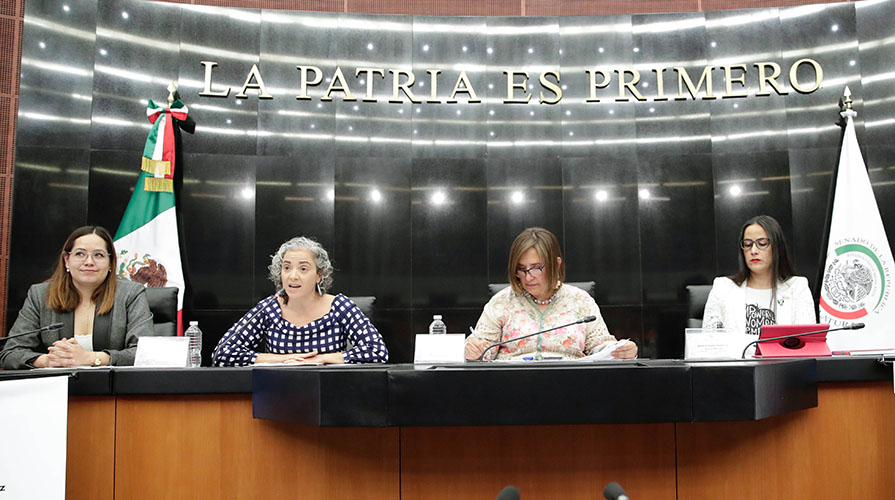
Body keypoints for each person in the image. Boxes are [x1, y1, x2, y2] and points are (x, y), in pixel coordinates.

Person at [465, 227, 637, 361]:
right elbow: (484, 349)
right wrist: (473, 349)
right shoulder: (502, 301)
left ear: (556, 264)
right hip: (512, 386)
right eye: (521, 269)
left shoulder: (580, 300)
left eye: (536, 268)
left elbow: (599, 345)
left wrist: (619, 350)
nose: (528, 277)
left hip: (572, 385)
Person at [212, 236, 388, 366]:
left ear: (319, 275)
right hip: (277, 396)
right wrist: (283, 360)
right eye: (287, 268)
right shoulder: (269, 308)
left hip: (330, 395)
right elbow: (222, 353)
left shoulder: (340, 307)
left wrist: (322, 359)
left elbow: (377, 352)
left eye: (303, 269)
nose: (293, 276)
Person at [0, 226, 154, 369]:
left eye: (98, 255)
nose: (89, 262)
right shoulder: (40, 295)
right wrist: (48, 360)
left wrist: (92, 358)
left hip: (114, 393)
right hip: (55, 388)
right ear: (67, 260)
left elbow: (144, 353)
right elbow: (10, 353)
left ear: (110, 263)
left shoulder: (130, 294)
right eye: (80, 254)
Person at [702, 215, 816, 336]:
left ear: (777, 247)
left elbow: (806, 342)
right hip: (735, 355)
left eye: (762, 244)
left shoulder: (797, 288)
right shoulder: (723, 288)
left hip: (782, 355)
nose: (753, 251)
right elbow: (709, 342)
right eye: (747, 244)